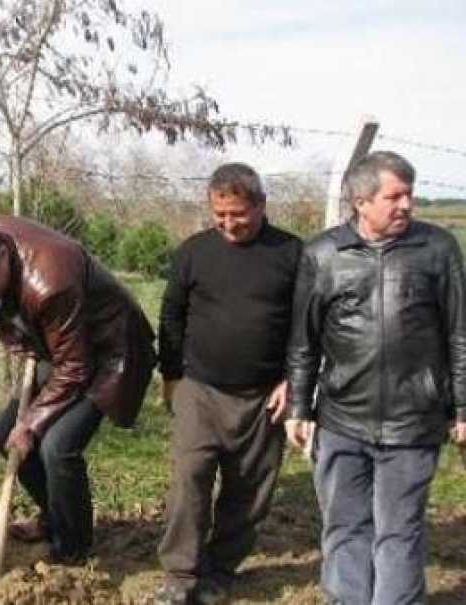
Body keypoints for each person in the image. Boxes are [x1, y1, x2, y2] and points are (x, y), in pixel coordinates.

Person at [286, 150, 466, 605]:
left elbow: (460, 334)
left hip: (413, 420)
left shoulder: (437, 250)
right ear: (361, 201)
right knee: (345, 526)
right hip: (342, 418)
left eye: (410, 194)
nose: (407, 205)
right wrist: (298, 407)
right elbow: (304, 340)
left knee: (399, 531)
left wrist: (463, 407)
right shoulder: (324, 254)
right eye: (395, 196)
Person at [0, 217, 156, 564]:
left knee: (58, 447)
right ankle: (54, 517)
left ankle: (73, 549)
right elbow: (52, 347)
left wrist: (31, 423)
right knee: (4, 437)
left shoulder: (49, 282)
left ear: (3, 254)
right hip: (61, 344)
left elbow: (75, 369)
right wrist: (21, 341)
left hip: (110, 353)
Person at [154, 163, 302, 605]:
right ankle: (180, 575)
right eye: (219, 214)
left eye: (237, 213)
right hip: (200, 388)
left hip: (264, 395)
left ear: (259, 205)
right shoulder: (195, 252)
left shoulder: (292, 253)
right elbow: (171, 314)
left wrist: (293, 380)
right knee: (190, 476)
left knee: (249, 487)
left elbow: (307, 325)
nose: (228, 223)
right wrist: (172, 375)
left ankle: (220, 570)